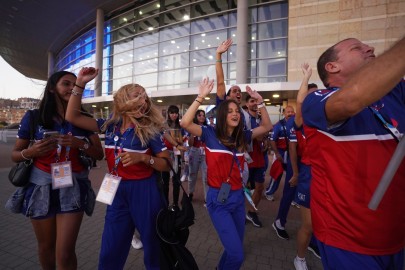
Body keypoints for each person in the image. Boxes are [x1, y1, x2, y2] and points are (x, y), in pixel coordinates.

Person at [302, 37, 405, 269]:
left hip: (396, 237)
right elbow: (350, 101)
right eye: (357, 48)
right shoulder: (315, 101)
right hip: (348, 240)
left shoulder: (394, 92)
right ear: (332, 67)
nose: (371, 48)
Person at [65, 67, 171, 270]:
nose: (143, 101)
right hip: (116, 191)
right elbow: (72, 117)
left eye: (145, 97)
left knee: (153, 247)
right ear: (122, 99)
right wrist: (80, 83)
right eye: (137, 96)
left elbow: (166, 165)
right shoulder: (110, 125)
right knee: (110, 249)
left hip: (145, 191)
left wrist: (142, 158)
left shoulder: (151, 129)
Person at [6, 70, 104, 269]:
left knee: (66, 252)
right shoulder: (34, 116)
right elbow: (15, 154)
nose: (71, 88)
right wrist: (32, 151)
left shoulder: (82, 118)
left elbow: (98, 154)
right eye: (66, 84)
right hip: (40, 187)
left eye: (74, 85)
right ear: (52, 88)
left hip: (73, 187)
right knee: (46, 248)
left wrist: (80, 144)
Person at [181, 77, 272, 270]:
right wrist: (200, 97)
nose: (235, 114)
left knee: (234, 249)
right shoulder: (210, 134)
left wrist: (261, 102)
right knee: (237, 256)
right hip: (218, 201)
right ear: (222, 115)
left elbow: (266, 127)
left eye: (237, 111)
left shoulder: (243, 136)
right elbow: (185, 123)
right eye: (230, 111)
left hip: (238, 199)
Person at [290, 63, 319, 270]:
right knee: (308, 225)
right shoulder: (302, 121)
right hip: (309, 174)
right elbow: (300, 101)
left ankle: (317, 247)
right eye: (311, 95)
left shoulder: (328, 117)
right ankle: (299, 258)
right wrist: (306, 77)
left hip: (328, 174)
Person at [243, 94, 267, 228]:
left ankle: (251, 213)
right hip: (246, 160)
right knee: (240, 189)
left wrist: (266, 141)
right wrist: (261, 135)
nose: (254, 103)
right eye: (251, 101)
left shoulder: (261, 118)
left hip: (259, 159)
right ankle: (238, 213)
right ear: (247, 104)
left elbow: (264, 135)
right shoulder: (244, 119)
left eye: (256, 101)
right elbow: (257, 136)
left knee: (259, 188)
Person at [265, 105, 295, 201]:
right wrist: (277, 154)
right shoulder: (279, 125)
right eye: (288, 112)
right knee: (277, 174)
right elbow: (272, 140)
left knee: (293, 175)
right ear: (284, 113)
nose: (290, 113)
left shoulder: (296, 124)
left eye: (292, 111)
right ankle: (269, 192)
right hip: (281, 153)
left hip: (292, 154)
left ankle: (291, 197)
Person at [161, 105, 185, 210]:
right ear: (168, 114)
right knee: (165, 180)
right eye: (172, 113)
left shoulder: (180, 125)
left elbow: (182, 139)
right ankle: (165, 203)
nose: (174, 115)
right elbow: (162, 138)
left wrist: (181, 140)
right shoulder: (164, 125)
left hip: (177, 154)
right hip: (166, 154)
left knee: (176, 180)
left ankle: (175, 203)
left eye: (176, 113)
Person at [188, 109, 208, 202]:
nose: (202, 117)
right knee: (192, 174)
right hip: (194, 151)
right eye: (199, 115)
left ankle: (206, 198)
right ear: (196, 117)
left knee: (206, 176)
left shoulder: (207, 128)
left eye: (203, 115)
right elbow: (190, 143)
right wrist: (192, 133)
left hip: (205, 153)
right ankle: (190, 193)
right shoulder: (192, 127)